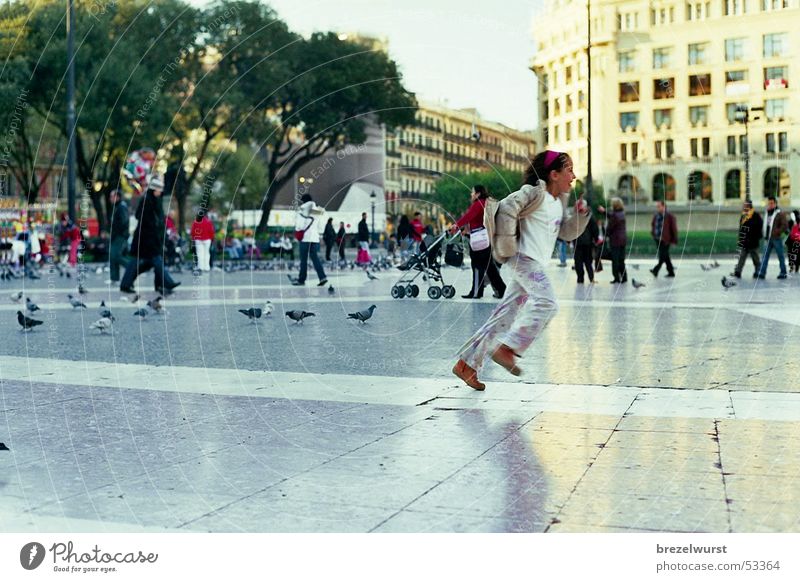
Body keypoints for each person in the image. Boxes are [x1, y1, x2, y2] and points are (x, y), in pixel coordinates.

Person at [452, 150, 589, 391]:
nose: (574, 175)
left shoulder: (558, 203)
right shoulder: (534, 193)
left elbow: (565, 233)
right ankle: (509, 348)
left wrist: (580, 216)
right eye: (569, 170)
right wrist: (507, 244)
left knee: (504, 315)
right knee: (547, 302)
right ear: (553, 174)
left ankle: (466, 364)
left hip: (534, 261)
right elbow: (505, 207)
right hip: (523, 258)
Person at [120, 175, 181, 294]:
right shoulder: (147, 200)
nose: (160, 192)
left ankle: (127, 284)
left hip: (151, 239)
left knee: (143, 263)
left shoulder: (155, 200)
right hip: (146, 239)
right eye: (159, 190)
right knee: (155, 260)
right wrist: (154, 226)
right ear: (154, 189)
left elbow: (159, 219)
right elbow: (140, 216)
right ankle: (166, 283)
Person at [449, 184, 506, 299]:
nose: (471, 194)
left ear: (478, 193)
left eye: (472, 192)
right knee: (489, 268)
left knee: (477, 266)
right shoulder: (487, 203)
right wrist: (467, 231)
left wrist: (456, 225)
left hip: (479, 240)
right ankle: (501, 289)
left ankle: (476, 292)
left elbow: (468, 216)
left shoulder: (478, 203)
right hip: (485, 238)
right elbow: (478, 221)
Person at [292, 193, 328, 286]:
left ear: (303, 201)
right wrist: (319, 235)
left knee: (303, 260)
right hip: (314, 238)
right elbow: (320, 225)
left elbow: (300, 225)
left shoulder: (302, 209)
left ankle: (301, 279)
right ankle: (322, 277)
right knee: (315, 258)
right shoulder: (317, 211)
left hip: (305, 239)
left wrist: (297, 231)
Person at [757, 195, 788, 280]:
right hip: (767, 238)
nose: (770, 205)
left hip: (776, 238)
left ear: (775, 203)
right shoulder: (767, 212)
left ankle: (783, 272)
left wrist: (776, 232)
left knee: (780, 256)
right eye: (769, 203)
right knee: (764, 257)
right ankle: (762, 273)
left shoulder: (779, 213)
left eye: (771, 203)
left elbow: (785, 225)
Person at [731, 200, 762, 279]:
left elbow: (759, 228)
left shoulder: (756, 216)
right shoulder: (743, 216)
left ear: (749, 206)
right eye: (743, 206)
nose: (743, 207)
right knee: (741, 257)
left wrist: (756, 237)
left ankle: (758, 271)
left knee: (755, 259)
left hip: (753, 241)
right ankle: (738, 271)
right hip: (745, 241)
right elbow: (741, 229)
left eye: (745, 206)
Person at [650, 200, 678, 278]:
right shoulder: (656, 215)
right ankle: (671, 272)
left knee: (662, 255)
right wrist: (653, 234)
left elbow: (674, 229)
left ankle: (656, 270)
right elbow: (653, 225)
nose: (657, 208)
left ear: (664, 206)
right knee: (665, 256)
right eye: (657, 206)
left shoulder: (669, 216)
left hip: (666, 239)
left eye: (659, 206)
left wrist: (674, 240)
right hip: (657, 239)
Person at [108, 189, 129, 283]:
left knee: (115, 256)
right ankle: (114, 278)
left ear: (117, 197)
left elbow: (124, 222)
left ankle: (132, 268)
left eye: (112, 196)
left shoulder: (121, 207)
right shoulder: (116, 207)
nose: (110, 199)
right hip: (116, 236)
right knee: (113, 256)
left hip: (120, 236)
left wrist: (119, 233)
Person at [573, 207, 599, 284]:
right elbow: (595, 229)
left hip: (577, 241)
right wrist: (596, 239)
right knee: (588, 261)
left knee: (578, 261)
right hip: (587, 242)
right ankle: (591, 278)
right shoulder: (589, 217)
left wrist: (569, 239)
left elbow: (570, 228)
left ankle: (580, 279)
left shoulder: (574, 218)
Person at [605, 198, 628, 284]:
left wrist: (605, 235)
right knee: (621, 259)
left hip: (615, 240)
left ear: (614, 205)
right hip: (623, 240)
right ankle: (624, 277)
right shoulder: (622, 213)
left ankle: (616, 278)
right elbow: (612, 216)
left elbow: (610, 227)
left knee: (615, 260)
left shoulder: (614, 215)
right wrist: (605, 212)